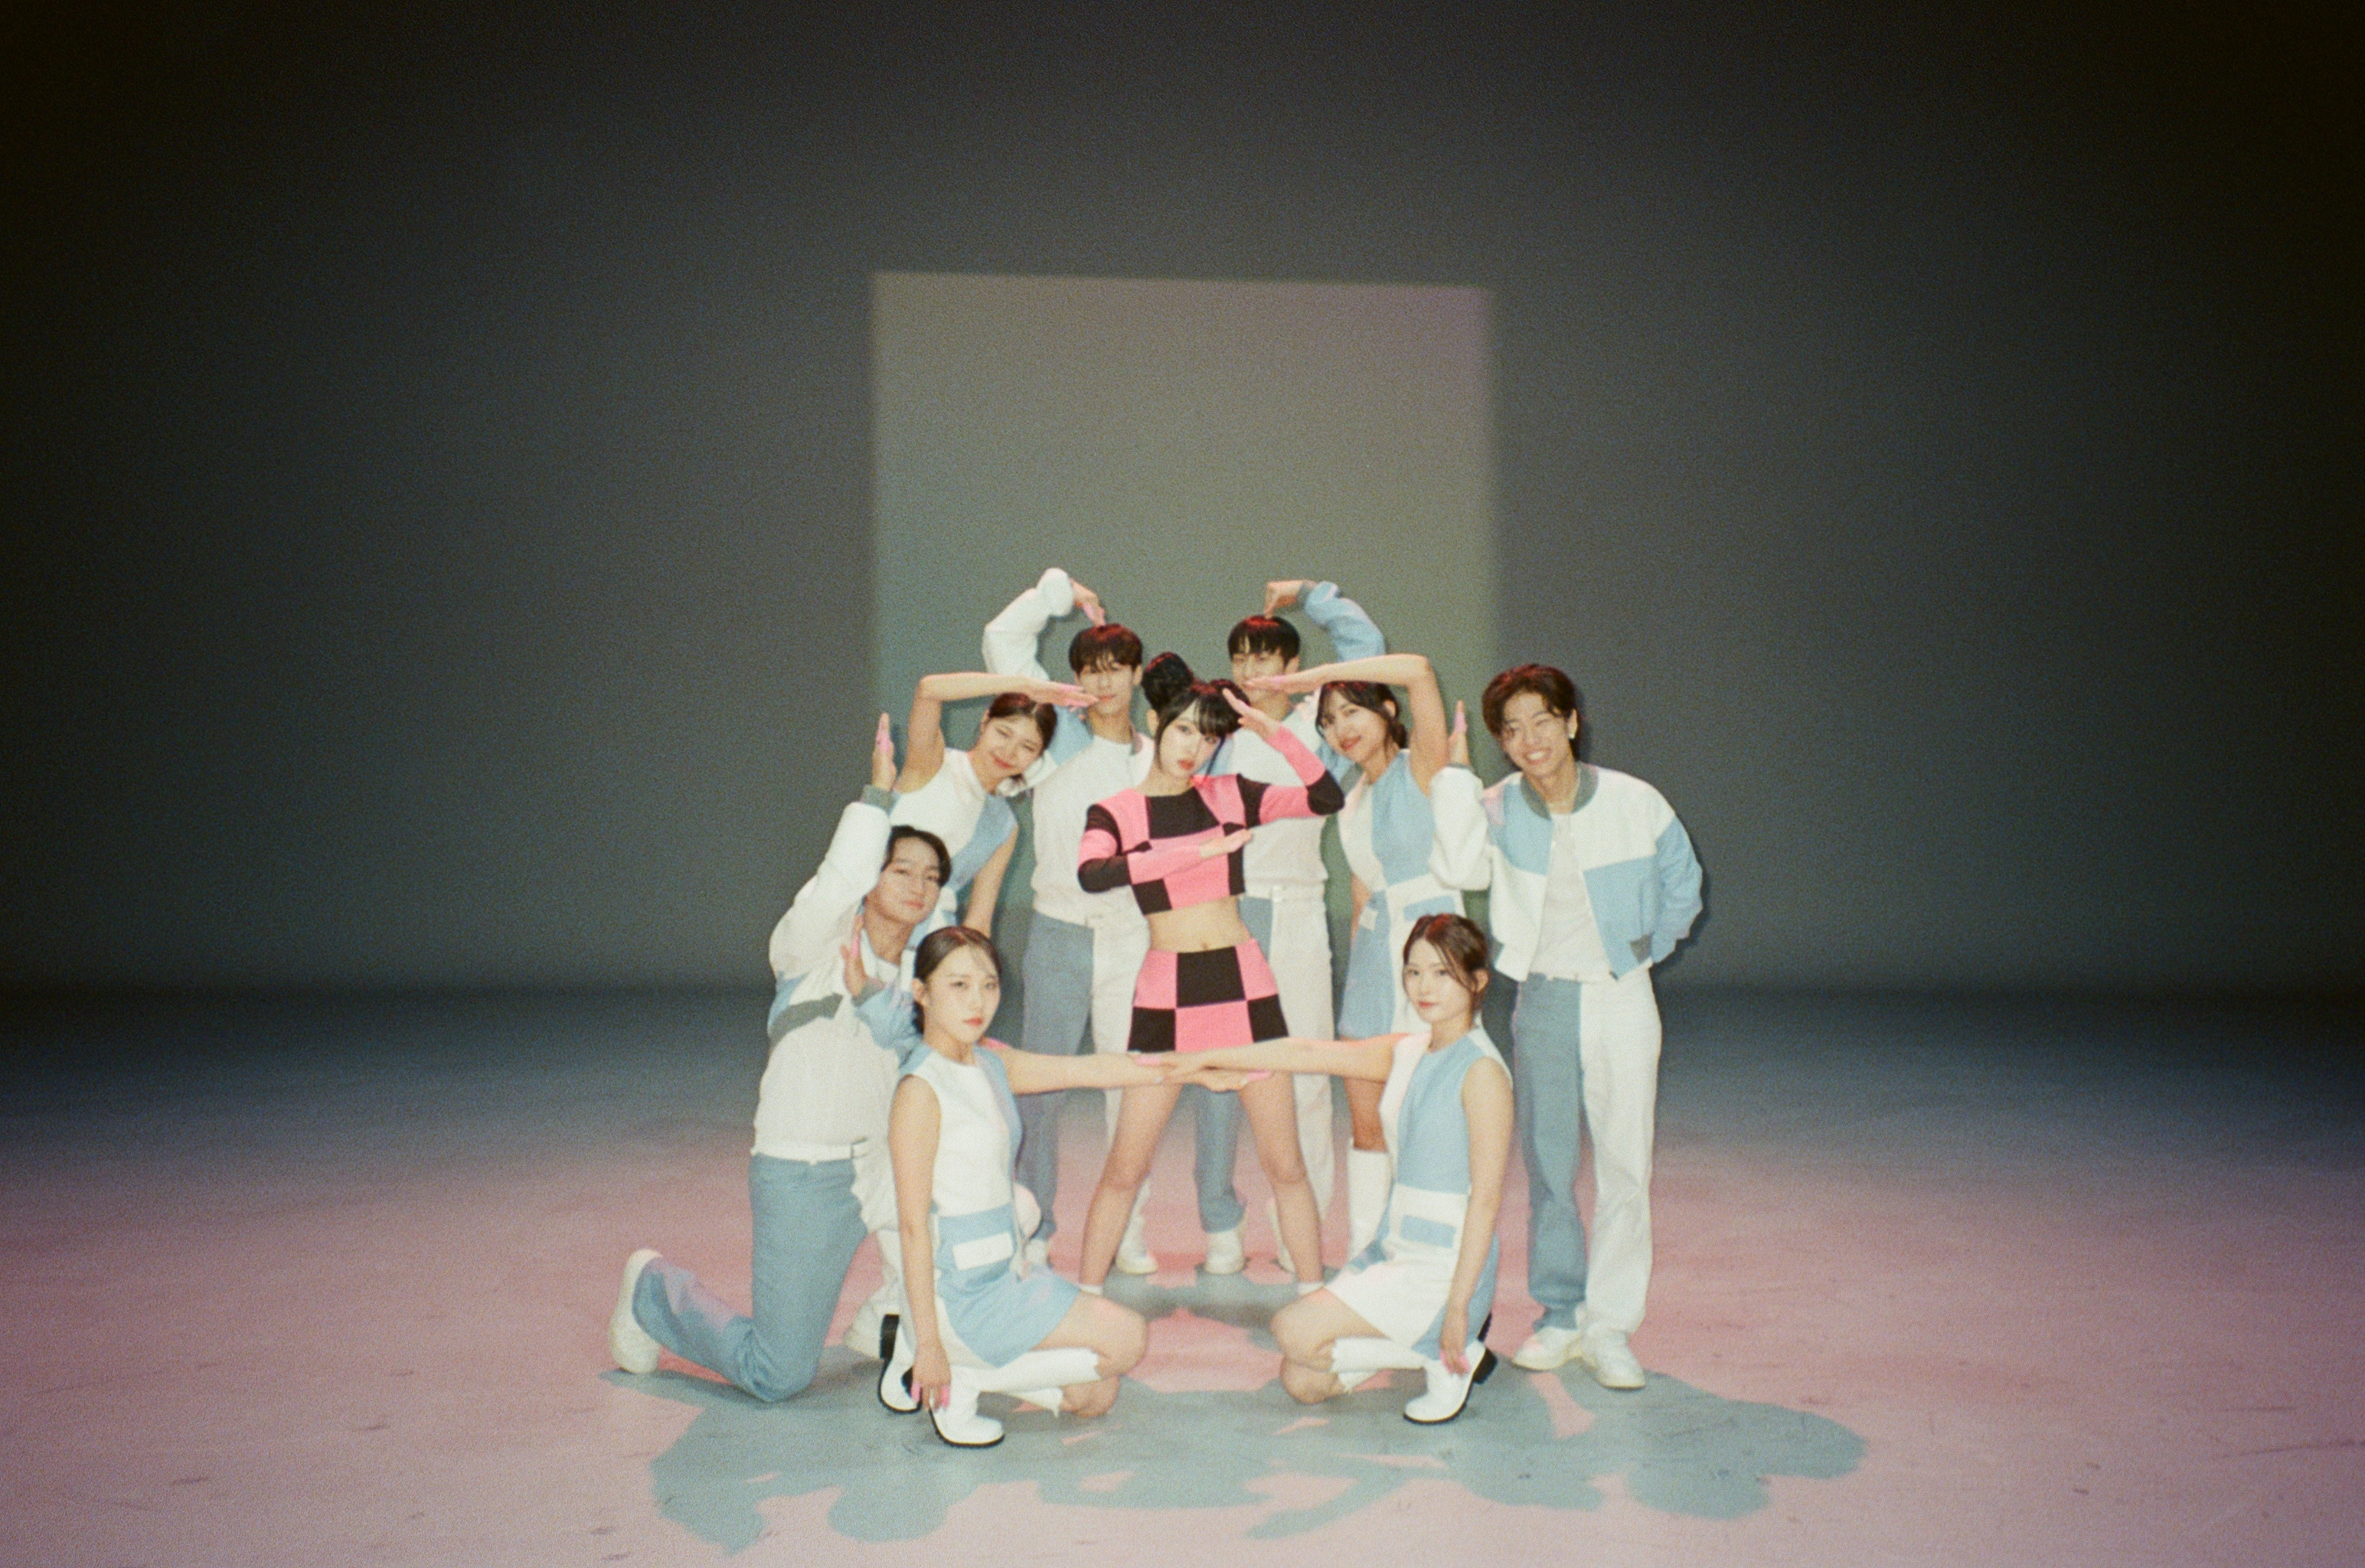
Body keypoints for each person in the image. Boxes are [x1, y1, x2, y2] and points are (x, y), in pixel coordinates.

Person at [607, 717, 945, 1400]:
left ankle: (885, 1314)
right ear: (871, 877)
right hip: (806, 1173)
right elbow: (838, 877)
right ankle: (651, 1291)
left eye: (932, 877)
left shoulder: (924, 977)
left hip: (885, 1167)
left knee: (1004, 1210)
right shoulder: (810, 948)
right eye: (901, 869)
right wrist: (876, 798)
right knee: (779, 1374)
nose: (918, 885)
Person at [1440, 664, 1704, 1390]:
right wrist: (1457, 779)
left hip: (1622, 997)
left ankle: (1610, 1326)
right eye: (1512, 729)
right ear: (1500, 742)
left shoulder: (1632, 800)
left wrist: (1644, 949)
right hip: (1545, 1000)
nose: (1530, 740)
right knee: (1548, 1167)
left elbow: (1683, 882)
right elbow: (1456, 865)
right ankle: (1559, 1315)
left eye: (1542, 721)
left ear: (1570, 722)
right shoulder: (1494, 807)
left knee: (1625, 1164)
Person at [1172, 913, 1511, 1424]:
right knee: (1304, 1381)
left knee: (1293, 1330)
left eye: (1442, 973)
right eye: (1414, 972)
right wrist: (1205, 1057)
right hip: (1396, 1247)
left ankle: (1449, 1352)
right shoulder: (1407, 1051)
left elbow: (1485, 1202)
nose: (1424, 987)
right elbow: (1308, 1053)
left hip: (1445, 1266)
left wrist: (1460, 1307)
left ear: (1477, 981)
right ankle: (1432, 1349)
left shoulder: (1482, 1072)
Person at [1073, 657, 1345, 1292]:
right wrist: (1198, 851)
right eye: (1183, 730)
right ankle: (1084, 1298)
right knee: (1123, 1167)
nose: (1193, 748)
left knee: (1286, 1165)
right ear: (1155, 724)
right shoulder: (1115, 811)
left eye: (1208, 736)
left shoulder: (1230, 794)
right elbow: (1093, 874)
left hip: (1243, 984)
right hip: (1165, 989)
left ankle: (1312, 1295)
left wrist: (1269, 729)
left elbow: (1324, 797)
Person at [864, 927, 1167, 1449]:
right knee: (1127, 1341)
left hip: (1004, 1276)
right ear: (921, 993)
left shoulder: (988, 1063)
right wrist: (931, 1343)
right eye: (958, 985)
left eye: (988, 985)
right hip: (957, 1297)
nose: (977, 1002)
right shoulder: (920, 1091)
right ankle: (955, 1374)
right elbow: (913, 1229)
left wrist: (1202, 1068)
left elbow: (1092, 1069)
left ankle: (939, 1362)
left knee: (1093, 1396)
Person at [1242, 652, 1485, 1256]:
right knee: (1367, 1123)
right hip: (1376, 963)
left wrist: (1308, 680)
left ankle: (1429, 1255)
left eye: (1351, 711)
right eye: (1327, 720)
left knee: (1430, 1119)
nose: (1339, 729)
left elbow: (1420, 670)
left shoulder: (1422, 765)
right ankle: (1363, 1255)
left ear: (1387, 709)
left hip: (1432, 953)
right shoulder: (1349, 798)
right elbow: (1359, 899)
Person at [978, 569, 1161, 1271]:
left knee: (1130, 1087)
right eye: (1091, 669)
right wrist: (1059, 591)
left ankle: (1127, 1228)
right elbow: (1001, 638)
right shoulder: (1054, 739)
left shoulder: (1154, 754)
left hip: (1135, 938)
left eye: (1116, 668)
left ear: (1137, 674)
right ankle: (1036, 1227)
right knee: (1042, 1090)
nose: (1104, 681)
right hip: (1058, 932)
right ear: (1076, 678)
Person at [1202, 579, 1385, 1273]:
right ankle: (1220, 1222)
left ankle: (1297, 1223)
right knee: (1219, 1077)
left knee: (1304, 1074)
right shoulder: (1216, 734)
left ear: (1292, 665)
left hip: (1299, 912)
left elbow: (1365, 648)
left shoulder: (1317, 727)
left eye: (1265, 657)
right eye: (1241, 658)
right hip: (1224, 913)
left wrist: (1311, 593)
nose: (1251, 671)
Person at [890, 667, 1089, 937]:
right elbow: (928, 690)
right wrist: (1023, 685)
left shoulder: (1005, 825)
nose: (1009, 751)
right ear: (985, 722)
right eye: (1003, 733)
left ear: (1038, 756)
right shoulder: (934, 762)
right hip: (868, 918)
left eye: (1027, 747)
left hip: (931, 942)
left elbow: (979, 921)